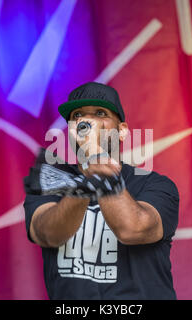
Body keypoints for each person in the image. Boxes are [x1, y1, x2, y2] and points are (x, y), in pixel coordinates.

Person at [24, 82, 179, 299]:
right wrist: (86, 182)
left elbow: (133, 229)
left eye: (100, 113)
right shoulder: (50, 181)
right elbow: (48, 234)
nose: (87, 122)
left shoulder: (155, 184)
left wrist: (97, 160)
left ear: (122, 131)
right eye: (78, 115)